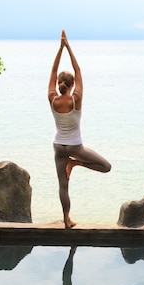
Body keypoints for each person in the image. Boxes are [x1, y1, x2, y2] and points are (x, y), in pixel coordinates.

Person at [48, 30, 111, 229]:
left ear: (59, 85)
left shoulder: (52, 98)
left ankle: (67, 220)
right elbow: (79, 70)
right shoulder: (77, 99)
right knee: (106, 166)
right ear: (72, 85)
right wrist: (68, 46)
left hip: (59, 145)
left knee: (63, 186)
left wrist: (59, 49)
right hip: (75, 147)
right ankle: (76, 164)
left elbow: (52, 71)